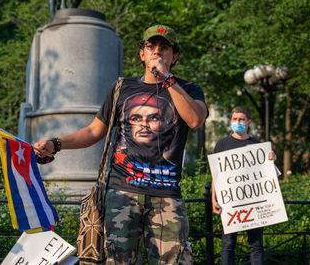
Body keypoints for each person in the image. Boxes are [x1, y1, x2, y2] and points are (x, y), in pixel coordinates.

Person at [34, 24, 208, 264]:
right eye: (151, 47)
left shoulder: (187, 89)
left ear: (174, 56)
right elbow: (94, 131)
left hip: (166, 196)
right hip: (122, 193)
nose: (157, 52)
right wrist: (56, 143)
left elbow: (196, 119)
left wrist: (167, 79)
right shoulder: (121, 88)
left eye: (164, 48)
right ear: (142, 54)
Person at [211, 106, 276, 265]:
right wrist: (213, 198)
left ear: (248, 122)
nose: (237, 122)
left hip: (254, 202)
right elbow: (216, 175)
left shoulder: (257, 146)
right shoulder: (222, 144)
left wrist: (271, 160)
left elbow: (266, 176)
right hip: (231, 203)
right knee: (228, 244)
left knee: (256, 245)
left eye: (241, 119)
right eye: (234, 119)